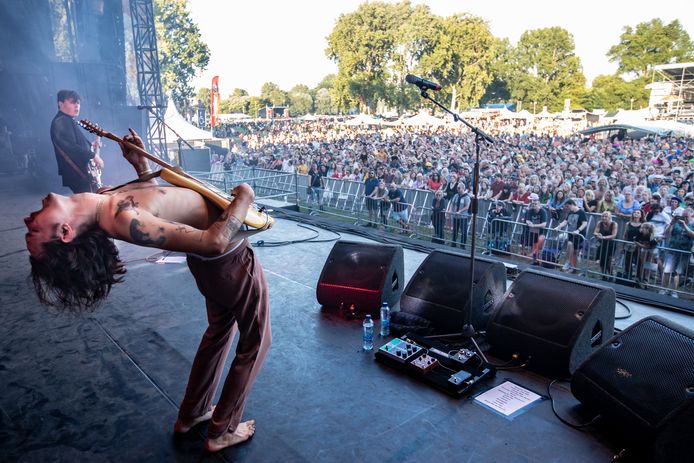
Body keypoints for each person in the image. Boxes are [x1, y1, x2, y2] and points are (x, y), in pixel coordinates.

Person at [26, 129, 272, 452]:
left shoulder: (103, 203)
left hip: (216, 270)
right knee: (256, 341)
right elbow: (214, 242)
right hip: (230, 264)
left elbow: (163, 206)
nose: (28, 217)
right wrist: (245, 199)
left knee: (219, 331)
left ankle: (192, 413)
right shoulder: (123, 219)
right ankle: (222, 431)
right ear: (66, 232)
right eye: (34, 228)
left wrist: (141, 166)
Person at [50, 90, 104, 193]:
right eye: (73, 102)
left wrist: (90, 145)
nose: (77, 106)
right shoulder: (61, 121)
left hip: (81, 172)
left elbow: (73, 143)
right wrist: (94, 155)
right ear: (60, 104)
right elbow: (70, 147)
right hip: (78, 172)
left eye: (78, 103)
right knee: (89, 204)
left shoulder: (67, 120)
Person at [660, 208, 694, 297]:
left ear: (692, 216)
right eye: (683, 216)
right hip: (672, 250)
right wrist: (672, 223)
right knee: (667, 271)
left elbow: (692, 235)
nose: (684, 218)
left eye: (686, 216)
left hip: (684, 252)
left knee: (677, 273)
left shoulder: (692, 225)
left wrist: (684, 225)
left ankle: (673, 291)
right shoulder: (676, 224)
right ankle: (663, 289)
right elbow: (666, 233)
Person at [555, 199, 588, 273]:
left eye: (568, 206)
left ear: (572, 204)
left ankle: (569, 263)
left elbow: (585, 223)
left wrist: (578, 230)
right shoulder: (570, 212)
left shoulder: (581, 212)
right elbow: (565, 221)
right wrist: (558, 227)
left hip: (578, 234)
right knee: (572, 249)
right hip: (570, 233)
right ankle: (572, 267)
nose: (567, 208)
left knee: (571, 246)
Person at [523, 193, 549, 264]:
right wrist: (529, 223)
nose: (534, 206)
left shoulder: (543, 212)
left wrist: (533, 225)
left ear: (539, 205)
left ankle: (535, 256)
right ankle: (535, 261)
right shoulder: (530, 211)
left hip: (542, 231)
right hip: (533, 231)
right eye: (533, 204)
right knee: (534, 245)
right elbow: (527, 220)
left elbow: (544, 224)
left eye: (536, 204)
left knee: (539, 242)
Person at [593, 211, 618, 278]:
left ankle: (611, 275)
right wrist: (598, 234)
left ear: (610, 217)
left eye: (606, 216)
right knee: (602, 260)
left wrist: (603, 237)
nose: (604, 218)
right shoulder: (599, 223)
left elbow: (614, 235)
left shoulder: (614, 224)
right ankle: (603, 275)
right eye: (603, 216)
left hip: (611, 244)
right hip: (602, 244)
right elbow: (595, 232)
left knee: (609, 261)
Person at [447, 183, 470, 249]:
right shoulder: (456, 195)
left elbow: (467, 206)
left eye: (459, 188)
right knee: (455, 231)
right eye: (457, 188)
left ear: (463, 188)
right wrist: (450, 209)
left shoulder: (467, 197)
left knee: (463, 232)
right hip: (456, 216)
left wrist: (460, 211)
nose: (457, 189)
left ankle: (462, 245)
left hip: (463, 217)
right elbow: (452, 203)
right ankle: (453, 243)